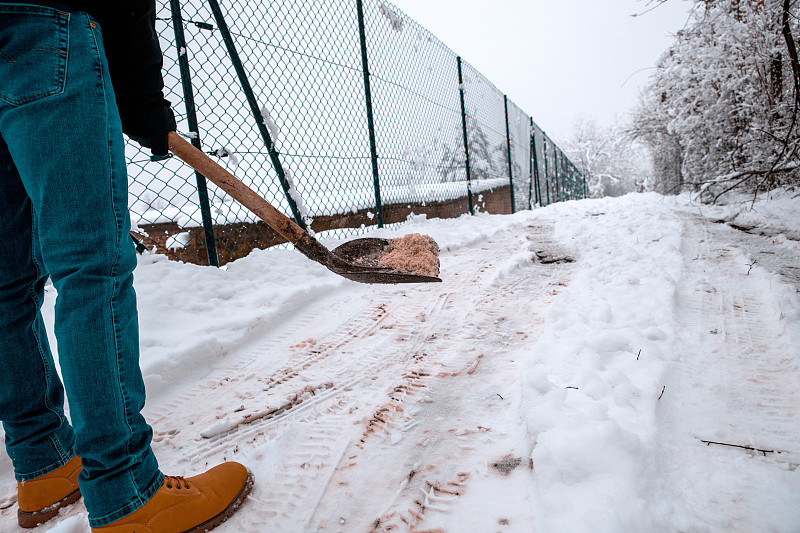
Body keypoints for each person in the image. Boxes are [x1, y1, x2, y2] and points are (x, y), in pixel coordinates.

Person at [0, 1, 254, 530]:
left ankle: (44, 463)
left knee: (5, 284)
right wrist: (142, 102)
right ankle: (126, 490)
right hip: (44, 31)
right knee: (90, 270)